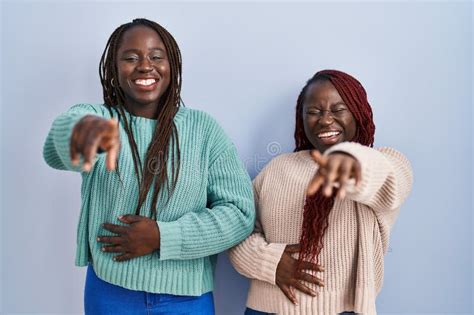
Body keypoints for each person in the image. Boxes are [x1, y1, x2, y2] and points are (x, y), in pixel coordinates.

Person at [43, 18, 255, 315]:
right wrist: (82, 132)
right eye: (130, 58)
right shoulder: (100, 119)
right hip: (110, 292)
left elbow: (239, 214)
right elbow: (58, 146)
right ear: (114, 71)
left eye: (156, 57)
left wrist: (161, 236)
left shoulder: (204, 130)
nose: (145, 66)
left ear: (173, 66)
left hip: (187, 300)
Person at [229, 69, 413, 315]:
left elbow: (387, 177)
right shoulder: (277, 168)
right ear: (301, 119)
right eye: (314, 112)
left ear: (358, 114)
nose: (325, 120)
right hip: (267, 310)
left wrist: (350, 161)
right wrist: (269, 262)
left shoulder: (383, 163)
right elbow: (236, 230)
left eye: (338, 110)